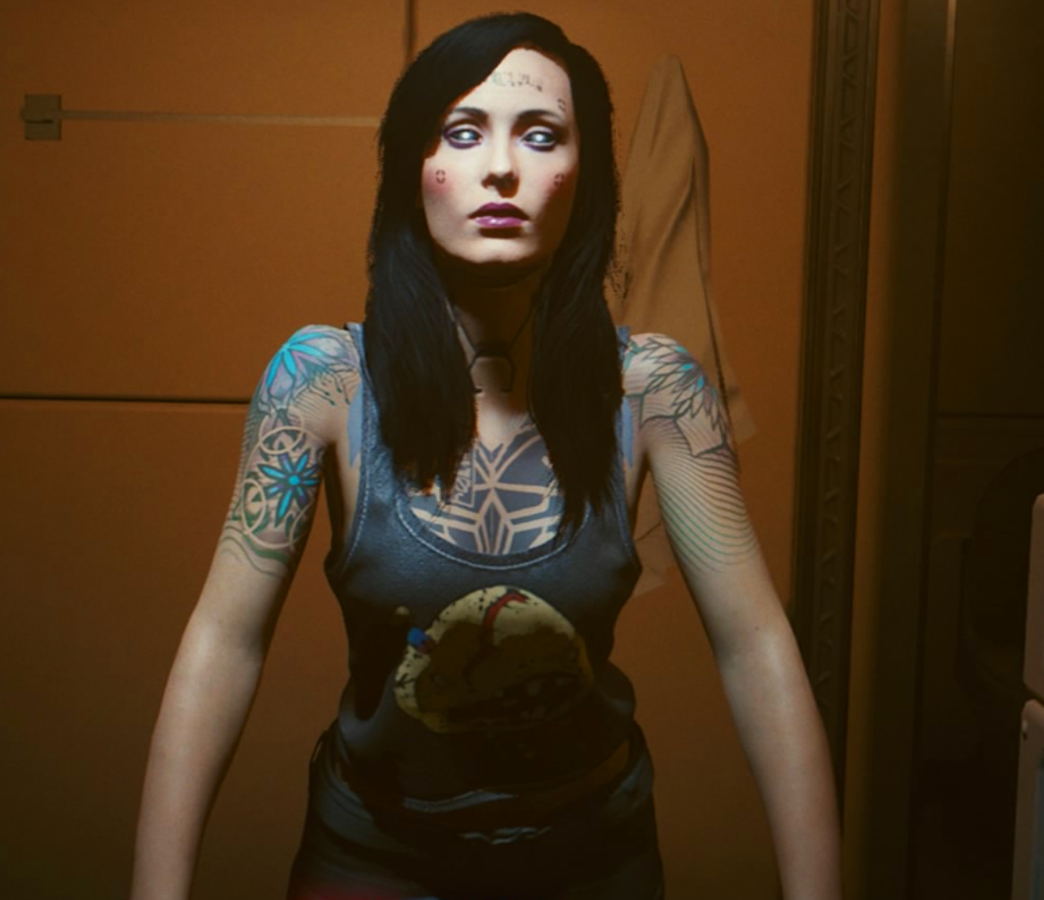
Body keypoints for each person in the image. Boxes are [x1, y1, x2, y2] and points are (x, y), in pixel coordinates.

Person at [130, 13, 839, 899]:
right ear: (411, 170)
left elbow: (756, 643)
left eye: (540, 135)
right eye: (463, 132)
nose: (501, 166)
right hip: (375, 852)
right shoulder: (320, 382)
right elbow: (224, 641)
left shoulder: (655, 389)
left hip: (593, 851)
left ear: (585, 178)